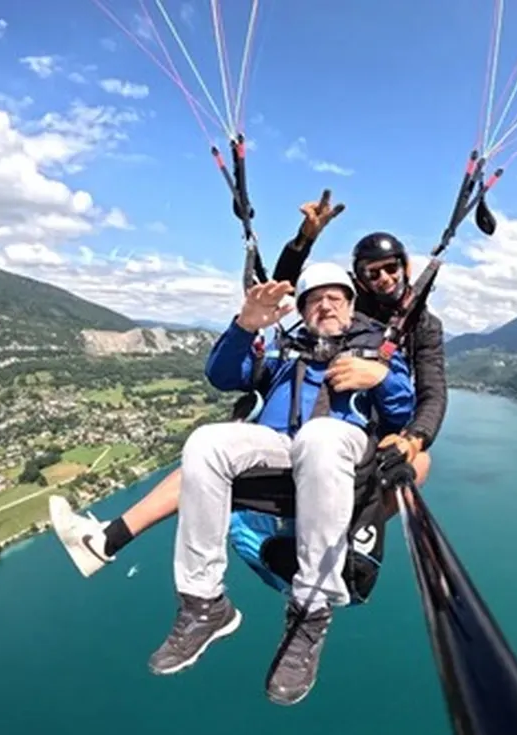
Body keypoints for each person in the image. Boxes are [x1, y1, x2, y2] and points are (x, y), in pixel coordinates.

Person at [48, 191, 446, 575]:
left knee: (418, 462)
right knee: (210, 450)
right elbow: (280, 292)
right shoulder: (321, 321)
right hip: (301, 433)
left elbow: (431, 392)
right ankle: (106, 541)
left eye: (391, 269)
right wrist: (302, 243)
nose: (383, 280)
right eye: (370, 274)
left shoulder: (420, 327)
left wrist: (412, 434)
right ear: (357, 283)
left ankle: (349, 539)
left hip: (365, 426)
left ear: (405, 268)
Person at [136, 263, 414, 703]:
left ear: (352, 306)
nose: (325, 304)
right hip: (281, 445)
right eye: (315, 299)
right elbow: (224, 375)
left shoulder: (374, 352)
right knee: (206, 442)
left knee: (319, 436)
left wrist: (382, 376)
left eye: (335, 297)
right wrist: (247, 325)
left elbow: (402, 414)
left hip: (341, 446)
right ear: (302, 311)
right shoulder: (285, 354)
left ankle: (311, 608)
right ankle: (203, 603)